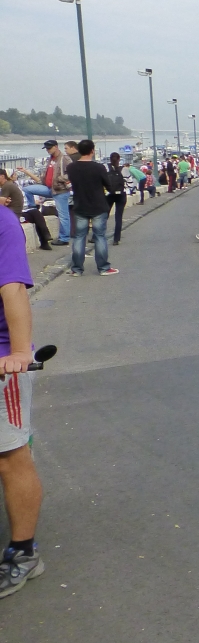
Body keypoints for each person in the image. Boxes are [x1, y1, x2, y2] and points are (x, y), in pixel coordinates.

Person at [0, 203, 45, 600]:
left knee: (10, 455)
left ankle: (24, 551)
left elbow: (12, 287)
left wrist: (18, 352)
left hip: (2, 360)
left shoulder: (2, 221)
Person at [65, 140, 118, 277]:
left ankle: (77, 269)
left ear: (79, 150)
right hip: (98, 205)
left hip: (80, 205)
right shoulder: (99, 168)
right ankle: (103, 268)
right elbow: (108, 186)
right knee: (100, 236)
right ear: (92, 151)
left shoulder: (71, 168)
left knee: (79, 237)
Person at [17, 140, 71, 246]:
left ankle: (64, 238)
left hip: (60, 190)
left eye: (49, 148)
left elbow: (71, 173)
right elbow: (45, 175)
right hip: (49, 188)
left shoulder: (64, 158)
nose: (47, 150)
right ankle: (33, 209)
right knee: (27, 190)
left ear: (56, 147)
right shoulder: (50, 159)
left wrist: (59, 179)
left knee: (63, 215)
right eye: (46, 148)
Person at [0, 170, 52, 252]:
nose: (16, 175)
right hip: (16, 213)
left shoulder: (15, 184)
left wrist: (25, 171)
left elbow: (37, 181)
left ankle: (45, 238)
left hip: (23, 210)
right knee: (35, 214)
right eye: (14, 174)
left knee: (36, 213)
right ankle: (45, 238)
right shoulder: (6, 187)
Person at [105, 153, 128, 246]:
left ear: (110, 159)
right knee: (118, 217)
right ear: (119, 159)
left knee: (104, 216)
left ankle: (97, 236)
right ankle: (116, 239)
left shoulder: (106, 168)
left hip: (109, 194)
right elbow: (129, 182)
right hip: (121, 195)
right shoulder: (124, 169)